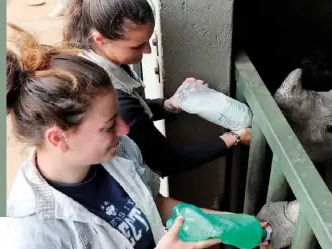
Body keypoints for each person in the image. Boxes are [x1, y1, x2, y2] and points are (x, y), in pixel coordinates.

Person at [0, 24, 267, 249]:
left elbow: (154, 202)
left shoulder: (119, 151)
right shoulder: (25, 237)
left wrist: (232, 223)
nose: (124, 129)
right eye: (109, 124)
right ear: (58, 138)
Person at [62, 0, 252, 178]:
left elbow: (135, 113)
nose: (148, 51)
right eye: (137, 46)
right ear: (101, 39)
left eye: (148, 41)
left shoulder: (91, 58)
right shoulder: (110, 94)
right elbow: (166, 163)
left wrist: (168, 105)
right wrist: (234, 137)